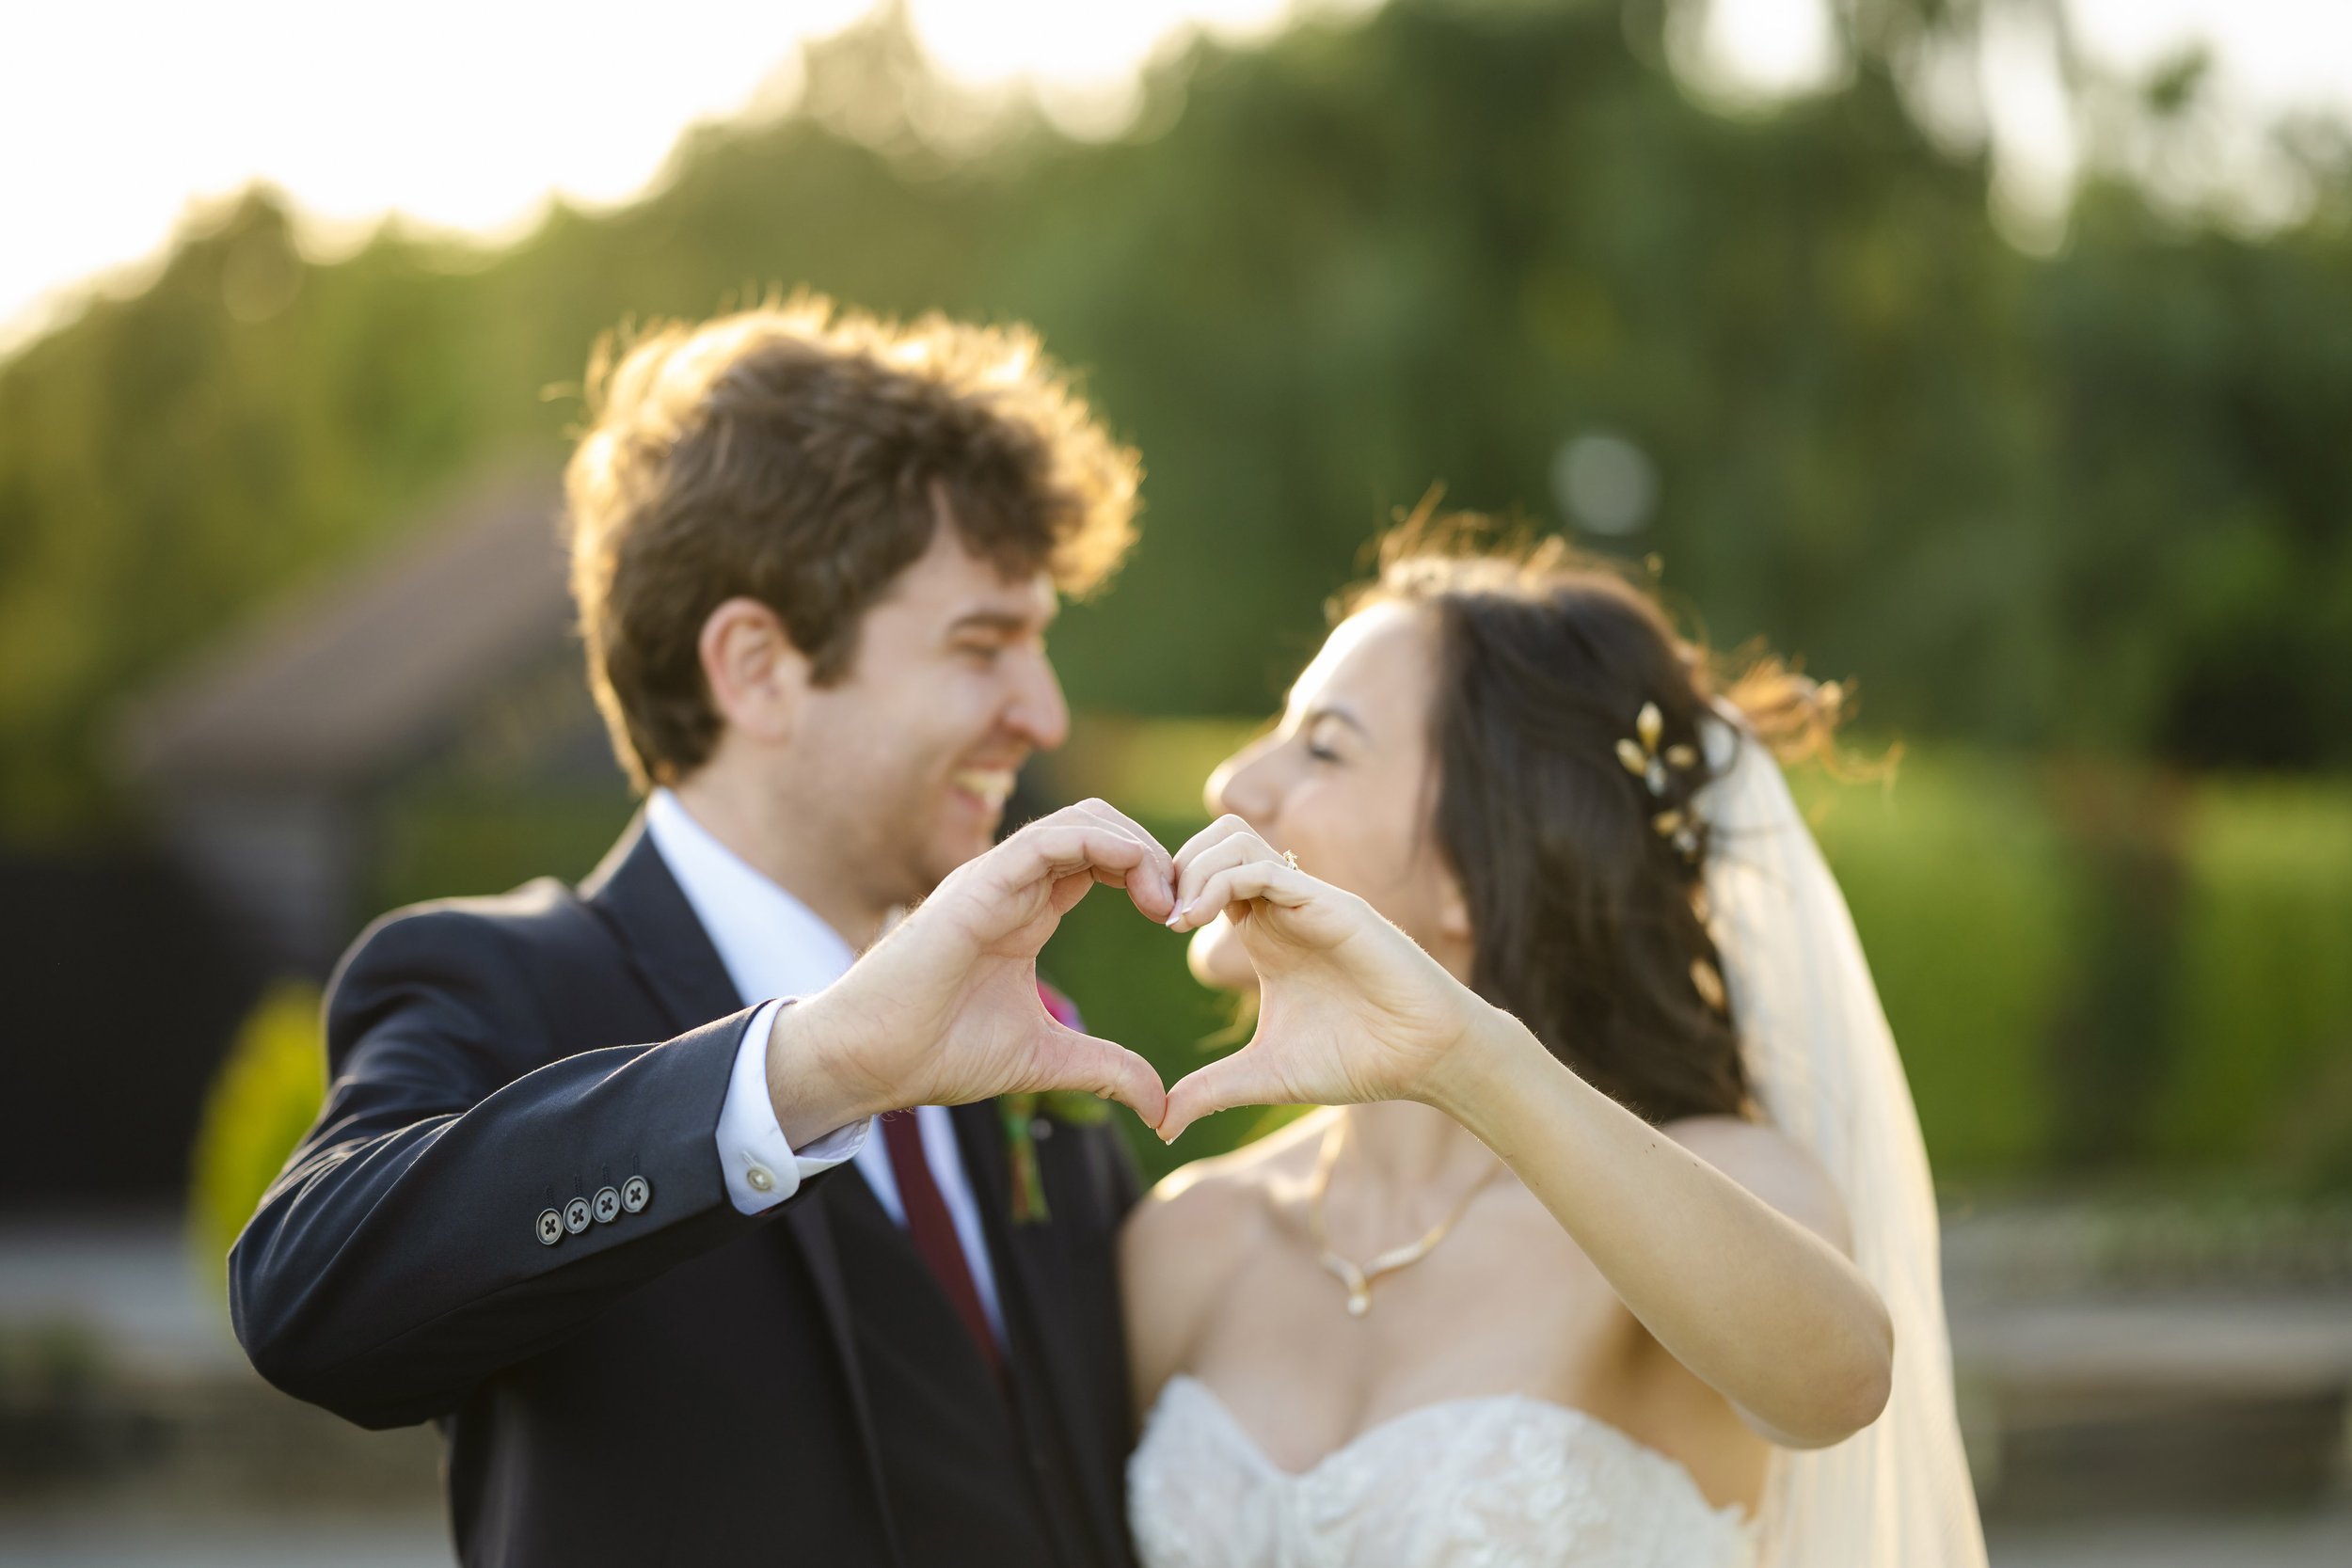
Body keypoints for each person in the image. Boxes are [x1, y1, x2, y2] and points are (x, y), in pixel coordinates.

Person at [230, 298, 1180, 1568]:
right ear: (757, 667)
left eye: (1039, 641)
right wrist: (808, 1070)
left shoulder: (1025, 1038)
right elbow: (310, 1295)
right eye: (983, 642)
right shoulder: (499, 981)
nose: (1043, 709)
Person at [1121, 526, 1989, 1567]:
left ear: (1473, 869)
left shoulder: (1720, 1179)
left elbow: (1839, 1382)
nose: (1230, 783)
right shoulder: (1194, 1233)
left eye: (1323, 745)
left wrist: (1467, 1055)